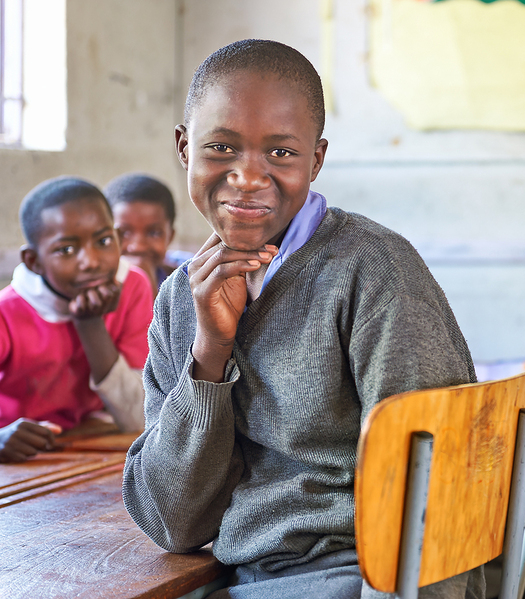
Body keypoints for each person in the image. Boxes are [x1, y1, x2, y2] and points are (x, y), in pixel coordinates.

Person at [122, 40, 482, 599]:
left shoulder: (371, 271)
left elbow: (442, 481)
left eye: (281, 154)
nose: (246, 177)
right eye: (220, 147)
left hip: (360, 577)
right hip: (243, 579)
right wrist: (209, 355)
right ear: (183, 148)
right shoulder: (178, 300)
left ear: (316, 159)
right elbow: (173, 522)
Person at [0, 177, 152, 463]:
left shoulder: (132, 287)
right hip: (16, 451)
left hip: (89, 438)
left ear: (119, 239)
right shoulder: (8, 312)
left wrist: (91, 325)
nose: (91, 261)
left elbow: (137, 416)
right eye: (66, 250)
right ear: (33, 261)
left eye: (104, 241)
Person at [105, 173, 194, 295]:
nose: (138, 247)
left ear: (170, 236)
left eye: (154, 233)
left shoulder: (191, 274)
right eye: (124, 233)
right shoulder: (92, 284)